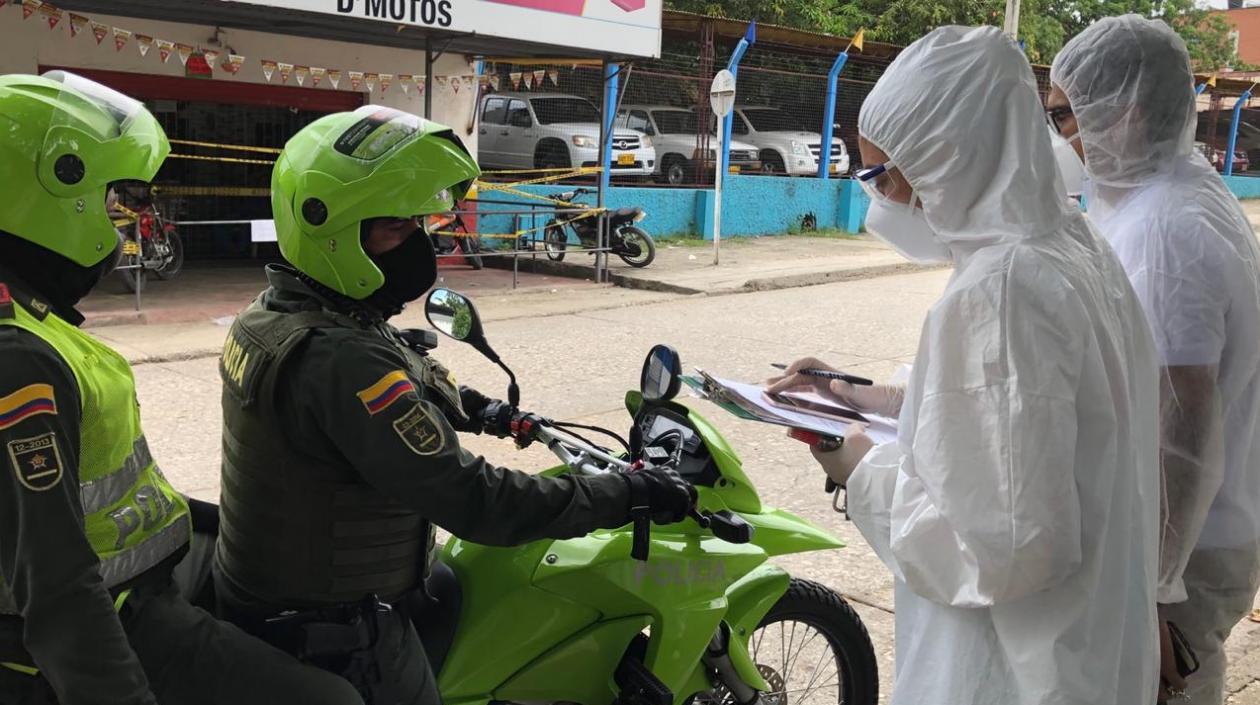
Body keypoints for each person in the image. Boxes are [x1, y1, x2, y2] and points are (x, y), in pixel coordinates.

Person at [212, 105, 695, 705]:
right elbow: (475, 500)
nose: (418, 244)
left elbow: (404, 383)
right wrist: (626, 494)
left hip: (274, 588)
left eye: (420, 225)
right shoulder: (340, 360)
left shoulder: (280, 314)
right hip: (336, 633)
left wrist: (489, 411)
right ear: (330, 230)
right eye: (396, 228)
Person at [770, 26, 1162, 705]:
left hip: (1012, 675)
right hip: (1088, 652)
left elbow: (1001, 549)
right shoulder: (1073, 247)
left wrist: (859, 466)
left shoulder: (1002, 289)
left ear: (944, 159)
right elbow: (1003, 419)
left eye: (881, 175)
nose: (881, 200)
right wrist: (857, 395)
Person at [0, 72, 364, 705]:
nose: (122, 225)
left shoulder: (33, 316)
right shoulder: (16, 360)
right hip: (113, 616)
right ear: (48, 193)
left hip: (151, 573)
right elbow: (55, 585)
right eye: (113, 199)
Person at [1050, 16, 1260, 703]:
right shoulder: (1156, 194)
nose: (1057, 137)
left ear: (1127, 112)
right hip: (1183, 539)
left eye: (1064, 116)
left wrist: (1159, 586)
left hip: (1185, 552)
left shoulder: (1168, 230)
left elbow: (1183, 426)